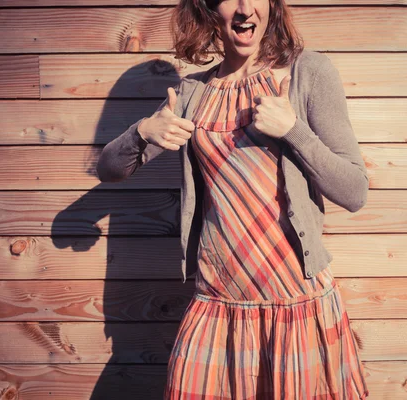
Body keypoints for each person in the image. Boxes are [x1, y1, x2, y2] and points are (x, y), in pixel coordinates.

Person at [96, 0, 370, 397]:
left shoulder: (308, 72)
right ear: (208, 9)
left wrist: (294, 130)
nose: (244, 8)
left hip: (294, 303)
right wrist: (142, 131)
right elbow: (109, 169)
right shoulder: (192, 93)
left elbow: (355, 191)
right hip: (218, 302)